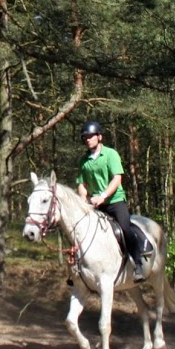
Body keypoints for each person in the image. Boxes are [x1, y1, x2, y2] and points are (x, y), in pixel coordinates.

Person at [75, 120, 145, 281]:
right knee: (79, 230)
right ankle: (78, 269)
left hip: (114, 201)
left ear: (99, 137)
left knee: (125, 229)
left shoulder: (111, 154)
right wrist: (83, 201)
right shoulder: (83, 161)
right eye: (85, 137)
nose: (87, 139)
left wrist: (103, 196)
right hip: (94, 204)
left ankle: (138, 265)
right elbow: (82, 184)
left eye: (91, 136)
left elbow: (117, 179)